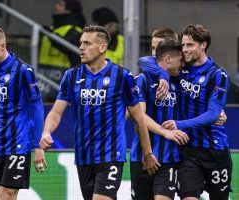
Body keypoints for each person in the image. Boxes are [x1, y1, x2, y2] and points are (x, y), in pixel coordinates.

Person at [39, 25, 160, 200]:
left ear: (102, 47)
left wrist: (147, 154)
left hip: (111, 154)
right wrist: (46, 131)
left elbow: (138, 118)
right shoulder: (71, 76)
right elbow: (56, 112)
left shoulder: (121, 76)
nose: (81, 47)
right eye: (81, 43)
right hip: (83, 156)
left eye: (87, 43)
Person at [140, 24, 231, 200]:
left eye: (190, 45)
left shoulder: (218, 74)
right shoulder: (182, 68)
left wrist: (179, 124)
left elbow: (213, 114)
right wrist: (164, 76)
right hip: (188, 150)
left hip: (215, 148)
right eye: (183, 45)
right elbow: (146, 60)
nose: (185, 49)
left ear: (203, 45)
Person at [0, 26, 46, 200]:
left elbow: (37, 107)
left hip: (17, 144)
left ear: (3, 46)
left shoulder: (23, 71)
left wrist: (38, 146)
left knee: (7, 195)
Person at [131, 35, 189, 200]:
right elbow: (139, 116)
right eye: (181, 60)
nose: (184, 64)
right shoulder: (142, 80)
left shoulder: (179, 81)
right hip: (141, 156)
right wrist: (166, 132)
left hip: (169, 158)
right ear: (168, 58)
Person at [38, 0, 86, 102]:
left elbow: (70, 46)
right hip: (44, 77)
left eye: (60, 5)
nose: (56, 6)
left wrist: (51, 36)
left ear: (69, 10)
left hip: (62, 76)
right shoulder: (52, 28)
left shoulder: (74, 29)